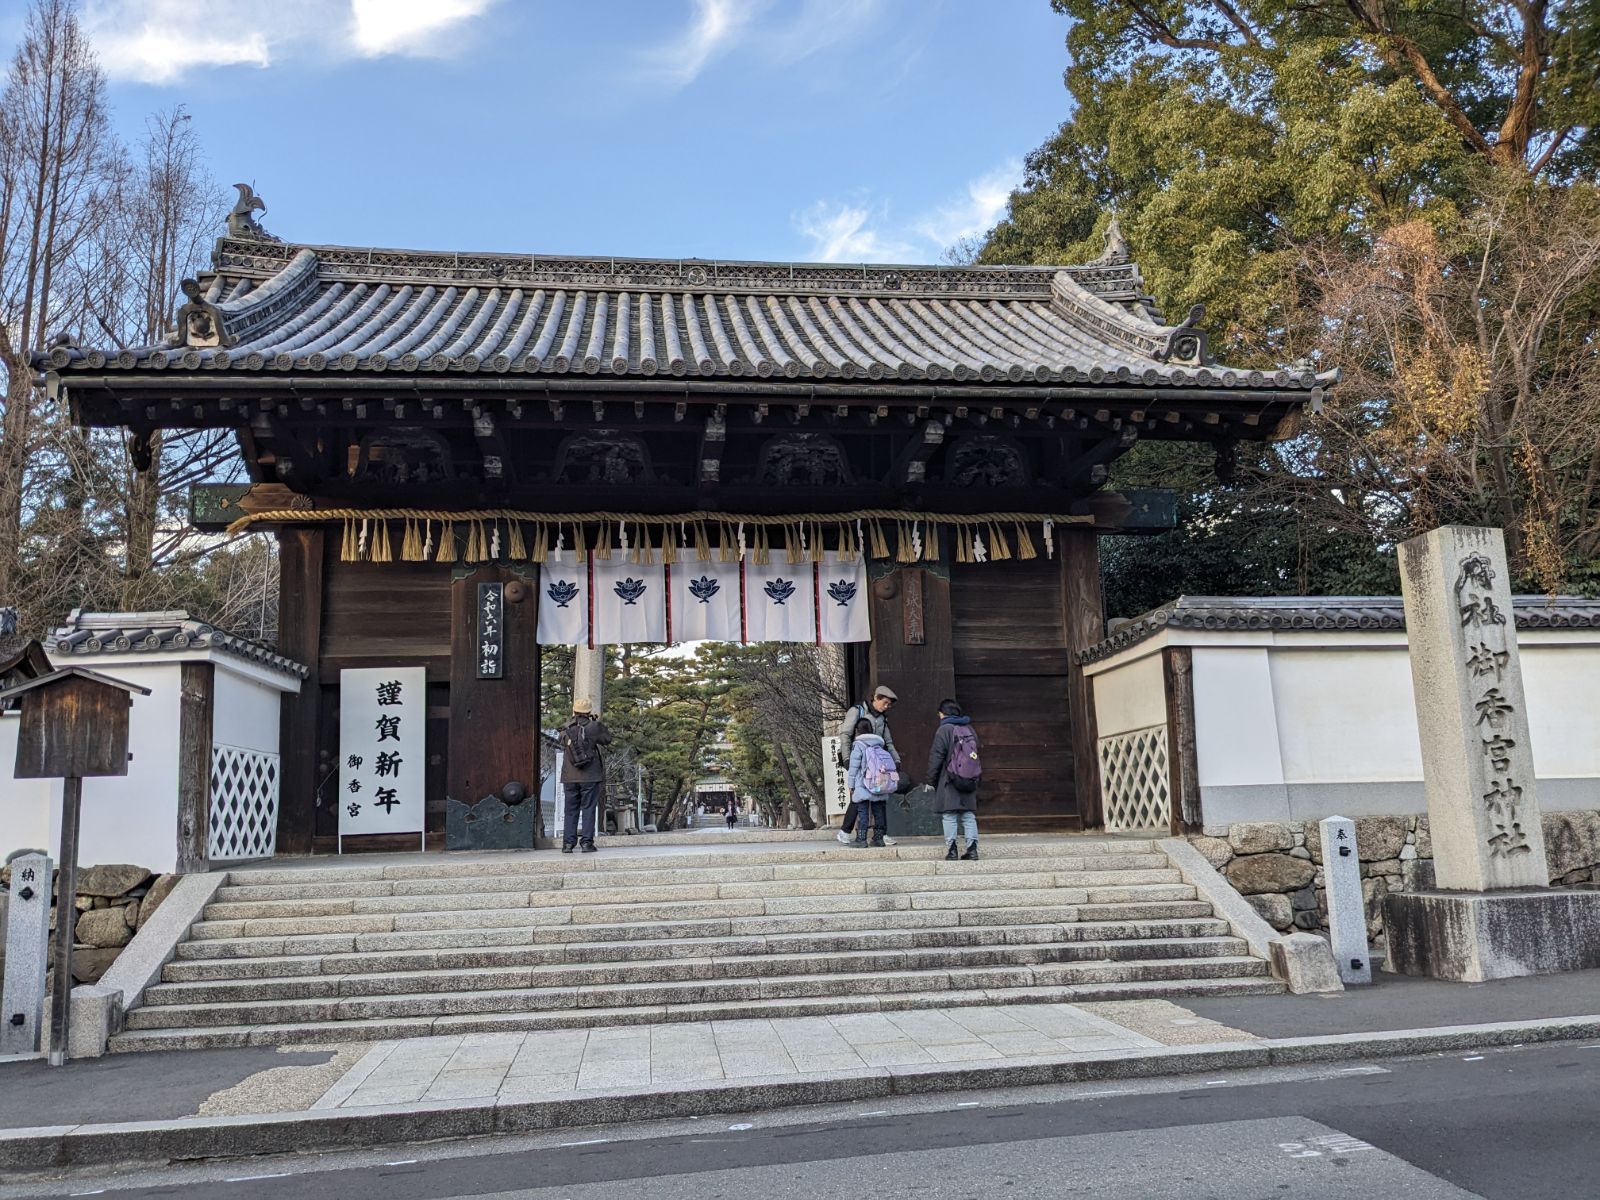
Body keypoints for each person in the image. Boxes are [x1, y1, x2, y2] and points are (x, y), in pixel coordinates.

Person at [834, 685, 901, 846]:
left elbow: (888, 742)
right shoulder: (857, 711)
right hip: (858, 759)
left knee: (879, 796)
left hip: (877, 764)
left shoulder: (883, 719)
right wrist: (848, 759)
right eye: (884, 703)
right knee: (859, 796)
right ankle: (845, 831)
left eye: (889, 705)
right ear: (875, 698)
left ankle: (881, 834)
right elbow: (845, 735)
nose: (886, 707)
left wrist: (896, 760)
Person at [926, 698, 981, 861]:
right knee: (968, 815)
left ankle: (952, 850)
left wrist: (930, 779)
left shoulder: (944, 730)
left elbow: (937, 756)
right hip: (969, 778)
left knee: (949, 815)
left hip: (949, 779)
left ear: (943, 714)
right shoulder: (969, 729)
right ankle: (972, 850)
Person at [560, 697, 612, 853]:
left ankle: (568, 844)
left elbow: (561, 743)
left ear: (574, 711)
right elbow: (607, 739)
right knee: (588, 808)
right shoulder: (594, 726)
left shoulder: (565, 728)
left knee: (570, 810)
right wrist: (597, 723)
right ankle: (586, 843)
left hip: (570, 776)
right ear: (589, 712)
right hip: (590, 775)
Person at [846, 717, 896, 848]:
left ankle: (861, 840)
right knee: (878, 811)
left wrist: (851, 785)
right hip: (879, 783)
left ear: (857, 731)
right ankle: (878, 839)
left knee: (862, 811)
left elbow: (853, 768)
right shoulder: (879, 744)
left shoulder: (858, 746)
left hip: (863, 783)